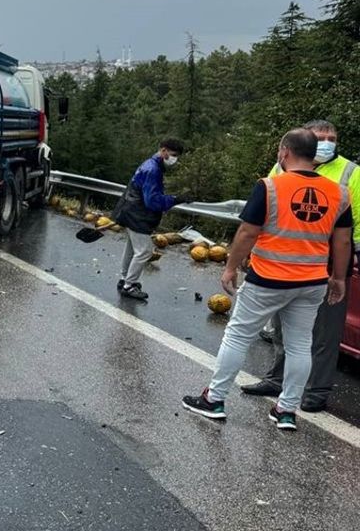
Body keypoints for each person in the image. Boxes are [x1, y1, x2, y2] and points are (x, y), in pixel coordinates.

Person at [183, 128, 352, 431]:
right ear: (314, 155)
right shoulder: (339, 193)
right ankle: (286, 411)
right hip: (313, 280)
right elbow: (342, 241)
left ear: (285, 152)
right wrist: (339, 278)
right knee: (301, 345)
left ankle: (215, 400)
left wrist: (230, 267)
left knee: (238, 336)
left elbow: (248, 232)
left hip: (269, 278)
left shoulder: (270, 186)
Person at [242, 119, 359, 412]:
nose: (326, 142)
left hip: (330, 260)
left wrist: (342, 269)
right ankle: (277, 379)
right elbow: (268, 204)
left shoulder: (351, 173)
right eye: (320, 137)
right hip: (286, 260)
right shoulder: (283, 165)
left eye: (332, 137)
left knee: (325, 333)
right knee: (285, 328)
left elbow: (353, 227)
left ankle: (316, 391)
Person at [111, 139, 192, 300]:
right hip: (138, 214)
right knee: (144, 252)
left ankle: (124, 279)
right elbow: (152, 201)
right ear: (163, 151)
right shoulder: (153, 170)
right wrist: (175, 199)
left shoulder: (149, 164)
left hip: (130, 210)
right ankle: (129, 285)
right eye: (173, 155)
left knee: (132, 249)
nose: (174, 159)